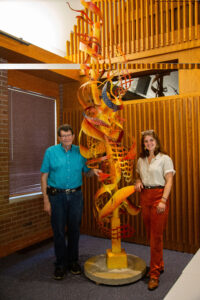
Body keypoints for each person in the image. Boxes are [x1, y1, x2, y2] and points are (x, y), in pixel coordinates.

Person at [40, 124, 101, 280]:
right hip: (56, 197)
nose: (66, 138)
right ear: (59, 138)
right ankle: (60, 264)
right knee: (59, 231)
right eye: (63, 136)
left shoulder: (81, 152)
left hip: (75, 197)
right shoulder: (50, 152)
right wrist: (46, 200)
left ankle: (73, 262)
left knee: (74, 230)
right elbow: (44, 177)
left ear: (73, 136)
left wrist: (94, 171)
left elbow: (86, 172)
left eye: (68, 135)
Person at [135, 130, 175, 291]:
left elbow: (170, 181)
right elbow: (137, 174)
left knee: (155, 237)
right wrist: (137, 180)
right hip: (145, 197)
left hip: (159, 197)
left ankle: (154, 274)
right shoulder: (141, 159)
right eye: (145, 141)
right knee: (150, 234)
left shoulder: (165, 159)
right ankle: (159, 264)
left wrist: (163, 200)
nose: (148, 143)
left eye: (151, 140)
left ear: (156, 142)